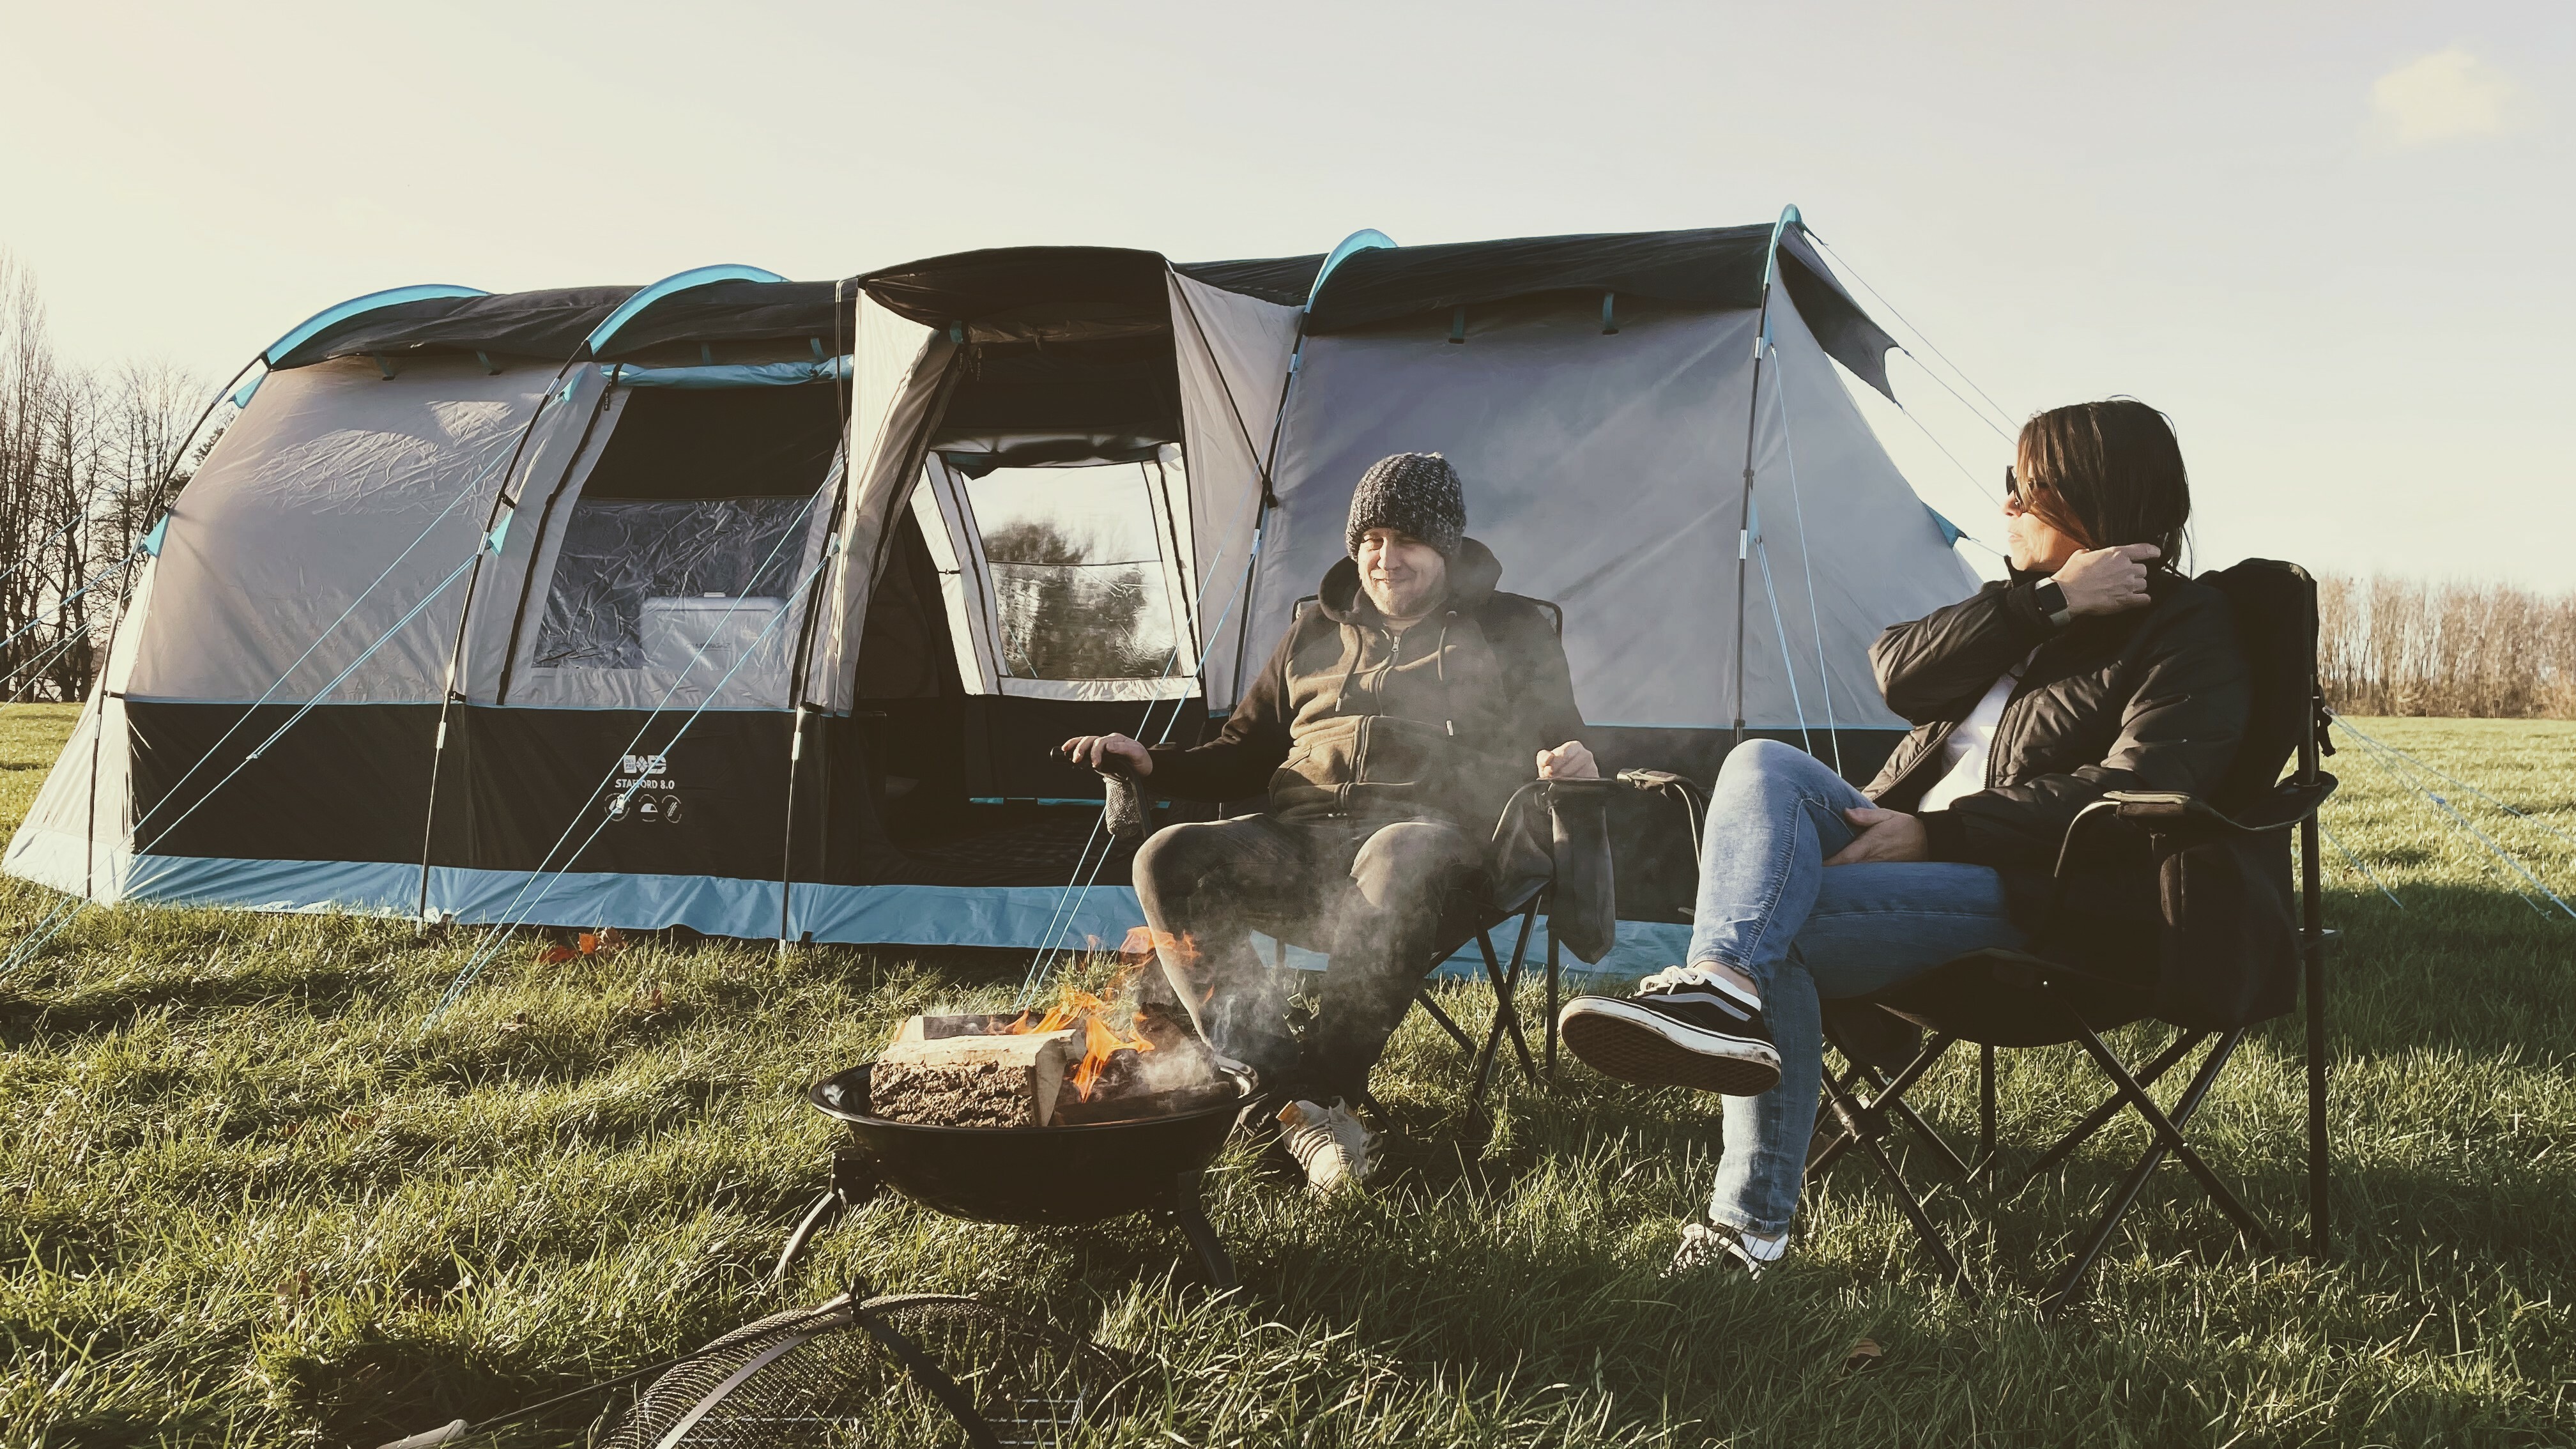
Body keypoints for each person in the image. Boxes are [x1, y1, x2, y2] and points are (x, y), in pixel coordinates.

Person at [1556, 399, 2248, 1276]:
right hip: (1912, 844)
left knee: (1792, 930)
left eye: (2022, 489)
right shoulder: (2033, 613)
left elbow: (2133, 792)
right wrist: (2047, 602)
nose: (2005, 507)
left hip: (2045, 898)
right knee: (1762, 763)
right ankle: (1722, 986)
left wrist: (1938, 835)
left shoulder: (2190, 629)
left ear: (2088, 500)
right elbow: (1895, 670)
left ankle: (1747, 1228)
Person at [1063, 452, 1597, 1194]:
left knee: (1401, 852)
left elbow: (1570, 736)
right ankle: (1283, 1099)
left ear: (1444, 546)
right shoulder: (1315, 629)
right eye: (1370, 540)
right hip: (1301, 844)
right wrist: (1153, 763)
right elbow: (1242, 753)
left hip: (1434, 846)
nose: (1385, 558)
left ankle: (1317, 1091)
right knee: (1166, 855)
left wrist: (1577, 759)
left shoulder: (1508, 629)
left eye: (1406, 539)